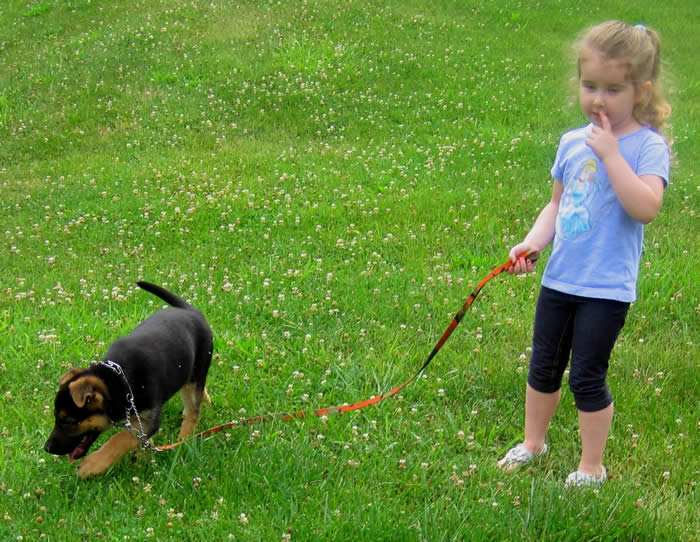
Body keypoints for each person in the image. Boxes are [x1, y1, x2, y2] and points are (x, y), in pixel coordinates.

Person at [497, 20, 671, 487]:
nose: (598, 99)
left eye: (613, 89)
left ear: (640, 91)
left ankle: (591, 465)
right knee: (543, 367)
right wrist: (533, 241)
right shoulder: (572, 142)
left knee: (587, 376)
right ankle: (533, 443)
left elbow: (646, 208)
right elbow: (556, 204)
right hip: (560, 279)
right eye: (589, 85)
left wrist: (612, 155)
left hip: (606, 288)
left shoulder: (647, 146)